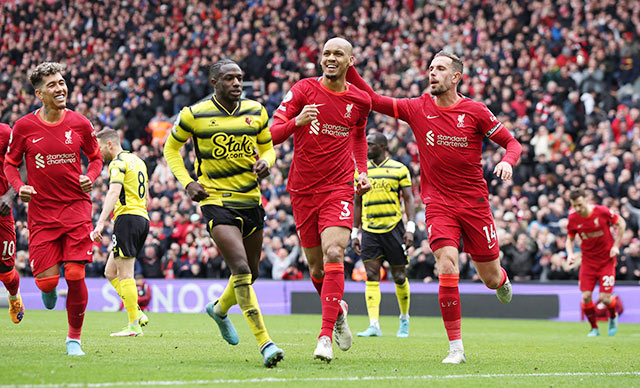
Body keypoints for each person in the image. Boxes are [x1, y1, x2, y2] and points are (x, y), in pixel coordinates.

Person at [346, 51, 521, 364]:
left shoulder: (476, 111)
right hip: (438, 203)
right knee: (447, 264)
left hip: (474, 204)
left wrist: (508, 162)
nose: (432, 73)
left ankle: (502, 280)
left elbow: (513, 144)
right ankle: (456, 348)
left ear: (455, 77)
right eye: (430, 68)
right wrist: (350, 68)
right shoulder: (418, 107)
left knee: (490, 278)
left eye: (440, 69)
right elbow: (371, 98)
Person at [163, 58, 284, 368]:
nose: (237, 83)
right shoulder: (193, 115)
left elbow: (269, 147)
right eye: (229, 78)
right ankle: (265, 343)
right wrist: (188, 182)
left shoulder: (256, 111)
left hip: (251, 200)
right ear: (214, 83)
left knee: (253, 272)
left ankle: (218, 310)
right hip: (216, 200)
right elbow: (170, 150)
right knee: (242, 268)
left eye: (240, 78)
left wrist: (267, 162)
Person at [269, 37, 372, 363]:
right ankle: (337, 310)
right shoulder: (302, 91)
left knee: (333, 252)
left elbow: (358, 135)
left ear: (350, 61)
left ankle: (324, 336)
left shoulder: (360, 100)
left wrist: (362, 170)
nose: (330, 58)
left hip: (339, 188)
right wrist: (295, 123)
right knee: (315, 268)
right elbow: (269, 132)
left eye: (337, 54)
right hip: (302, 189)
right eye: (326, 53)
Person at [3, 62, 103, 356]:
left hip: (76, 208)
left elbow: (95, 158)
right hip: (42, 214)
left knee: (74, 274)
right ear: (39, 93)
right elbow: (10, 163)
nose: (60, 88)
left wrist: (91, 177)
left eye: (61, 82)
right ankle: (47, 290)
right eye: (52, 85)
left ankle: (74, 339)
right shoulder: (23, 127)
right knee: (47, 282)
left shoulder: (80, 123)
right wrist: (18, 187)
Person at [351, 133, 414, 338]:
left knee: (399, 276)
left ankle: (404, 319)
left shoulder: (399, 169)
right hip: (369, 230)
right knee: (371, 275)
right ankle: (374, 325)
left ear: (382, 146)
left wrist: (410, 228)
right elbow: (357, 202)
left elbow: (408, 198)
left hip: (394, 227)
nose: (366, 147)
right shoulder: (361, 172)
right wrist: (355, 232)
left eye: (370, 144)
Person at [91, 128, 150, 337]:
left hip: (127, 218)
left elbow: (114, 191)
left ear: (109, 144)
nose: (98, 152)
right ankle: (138, 313)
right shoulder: (138, 161)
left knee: (126, 273)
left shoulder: (117, 163)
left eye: (99, 147)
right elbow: (147, 196)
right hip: (142, 218)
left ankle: (133, 325)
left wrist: (100, 223)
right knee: (110, 271)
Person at [566, 188, 626, 337]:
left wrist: (616, 246)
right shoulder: (573, 218)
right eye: (575, 205)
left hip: (606, 261)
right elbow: (570, 239)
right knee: (586, 296)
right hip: (587, 262)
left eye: (580, 204)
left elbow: (621, 223)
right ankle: (594, 328)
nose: (578, 209)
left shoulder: (602, 211)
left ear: (586, 200)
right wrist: (570, 253)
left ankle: (612, 316)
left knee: (605, 298)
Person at [0, 123, 23, 324]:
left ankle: (14, 298)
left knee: (6, 272)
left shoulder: (5, 133)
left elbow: (24, 163)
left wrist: (10, 195)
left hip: (1, 211)